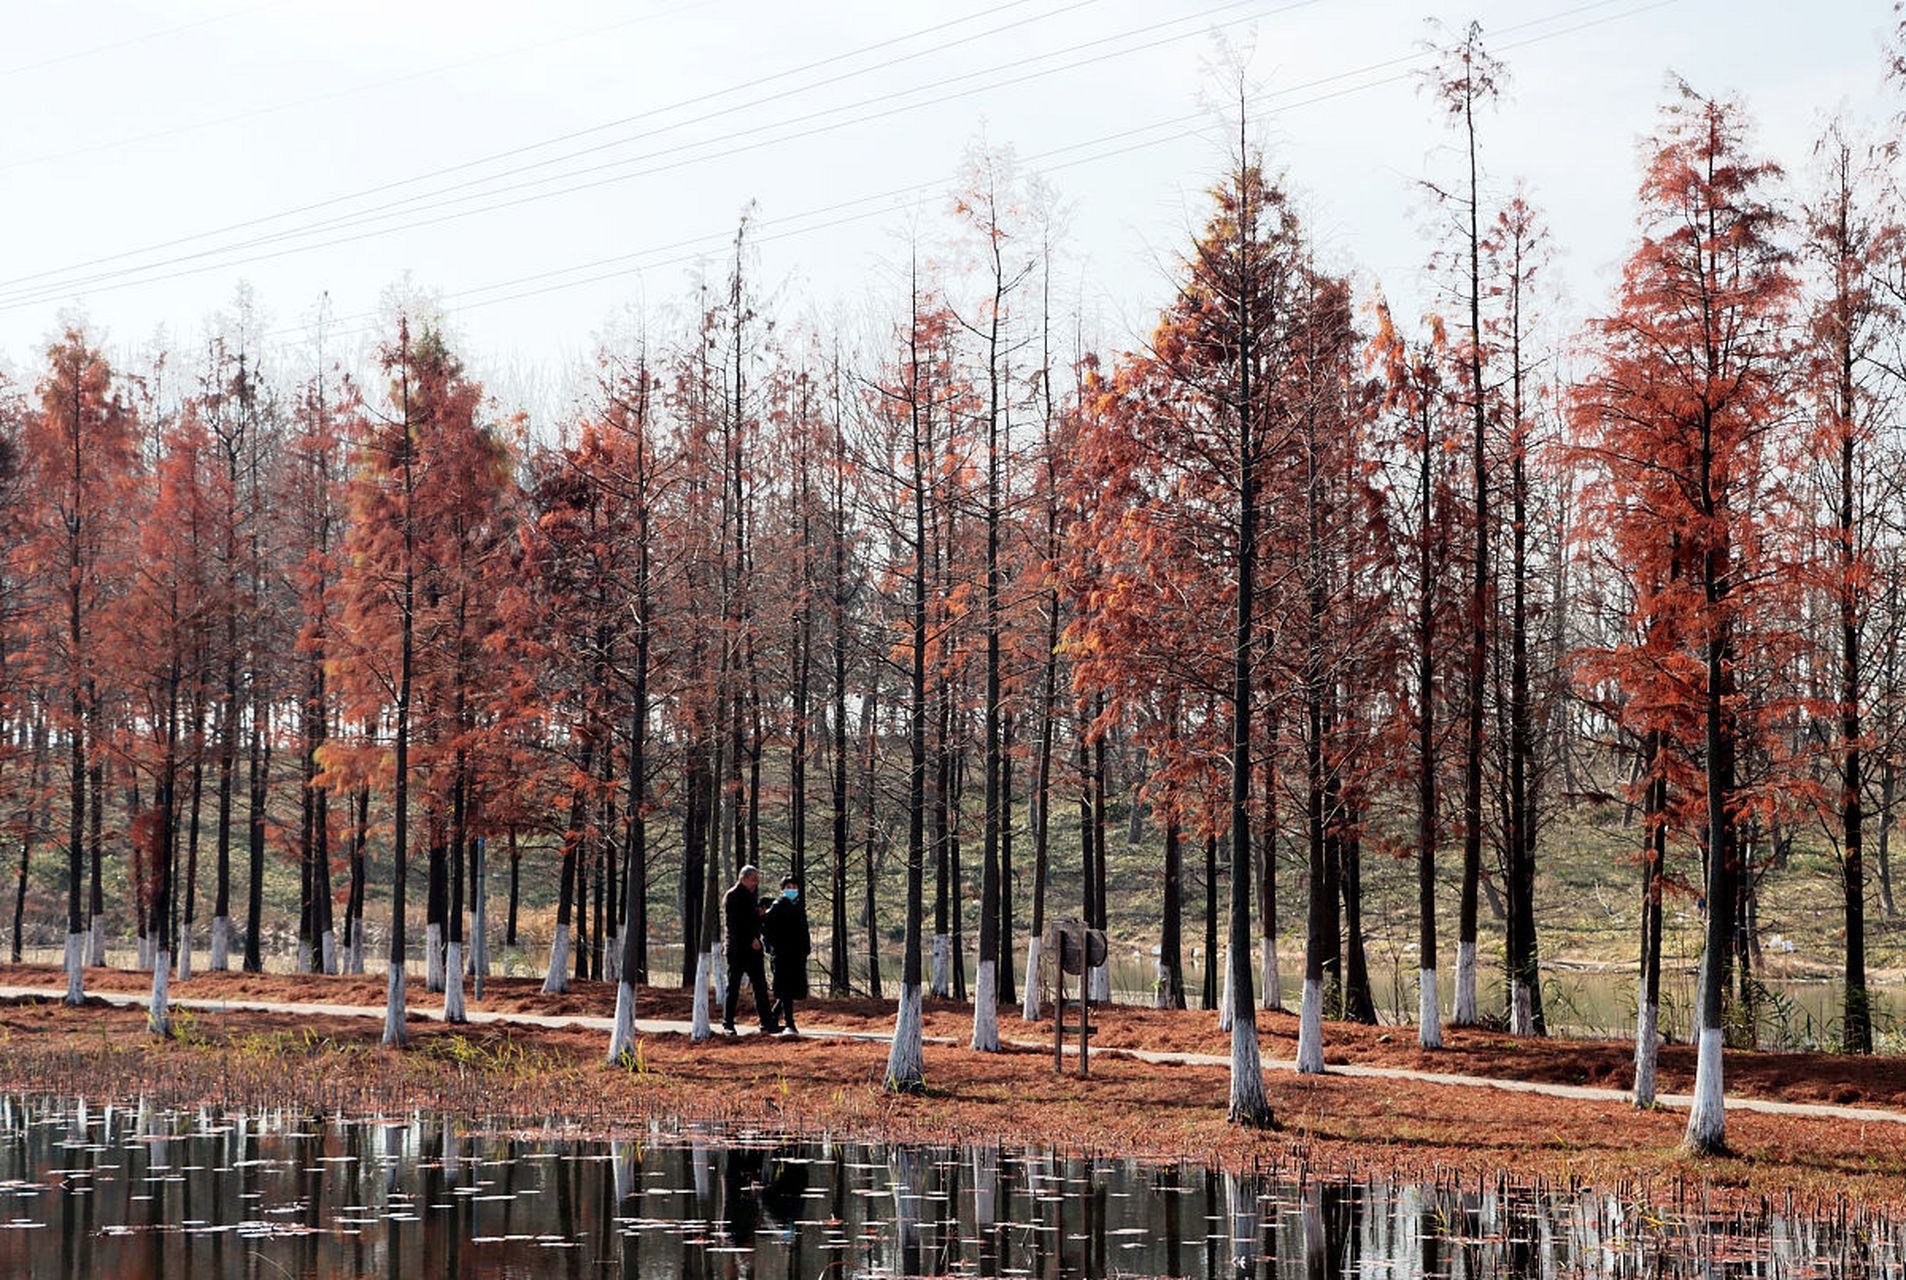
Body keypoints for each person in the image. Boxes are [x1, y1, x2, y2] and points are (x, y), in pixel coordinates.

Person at [722, 865, 777, 1035]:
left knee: (760, 986)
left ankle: (766, 1023)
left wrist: (761, 915)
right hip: (737, 948)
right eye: (753, 880)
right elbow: (734, 925)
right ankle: (728, 1024)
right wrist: (750, 939)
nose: (755, 883)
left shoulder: (751, 896)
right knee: (733, 987)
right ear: (743, 878)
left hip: (753, 949)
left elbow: (752, 922)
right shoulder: (732, 896)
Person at [761, 875, 812, 1035]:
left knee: (790, 990)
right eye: (788, 887)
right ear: (782, 889)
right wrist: (772, 946)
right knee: (786, 989)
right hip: (783, 955)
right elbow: (766, 929)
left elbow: (804, 930)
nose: (792, 890)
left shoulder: (798, 906)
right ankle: (789, 1023)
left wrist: (806, 948)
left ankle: (770, 1020)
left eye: (794, 887)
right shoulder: (778, 906)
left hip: (797, 954)